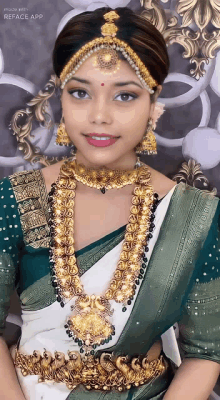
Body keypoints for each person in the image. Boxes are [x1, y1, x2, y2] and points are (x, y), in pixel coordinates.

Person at [0, 6, 220, 400]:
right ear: (60, 100)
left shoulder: (194, 216)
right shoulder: (17, 198)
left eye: (125, 95)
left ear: (155, 106)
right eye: (80, 92)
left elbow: (207, 352)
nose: (99, 116)